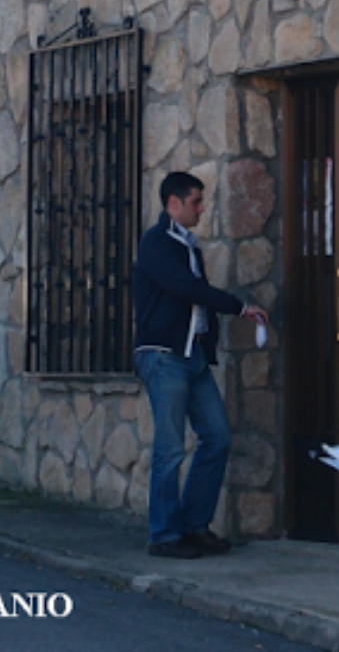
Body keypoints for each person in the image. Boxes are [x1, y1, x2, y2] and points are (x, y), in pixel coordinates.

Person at [133, 171, 269, 559]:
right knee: (170, 448)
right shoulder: (157, 243)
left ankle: (194, 525)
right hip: (164, 355)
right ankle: (163, 534)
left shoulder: (188, 246)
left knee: (217, 437)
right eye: (195, 201)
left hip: (191, 356)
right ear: (173, 203)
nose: (201, 208)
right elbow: (187, 290)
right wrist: (240, 307)